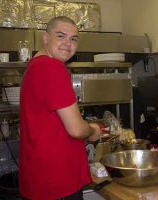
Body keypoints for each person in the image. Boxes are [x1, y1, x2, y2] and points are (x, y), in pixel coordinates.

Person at [19, 16, 103, 200]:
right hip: (58, 182)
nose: (68, 43)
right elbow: (75, 129)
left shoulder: (35, 66)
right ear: (45, 37)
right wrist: (92, 131)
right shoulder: (51, 68)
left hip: (39, 179)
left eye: (73, 38)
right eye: (61, 36)